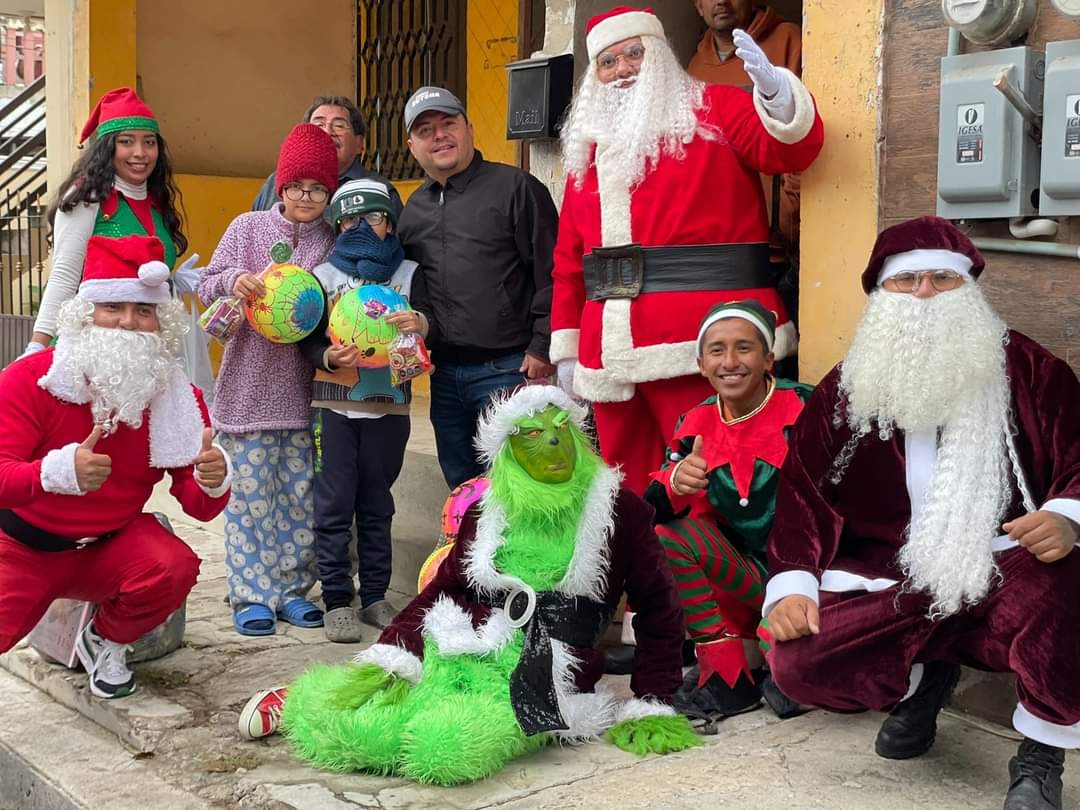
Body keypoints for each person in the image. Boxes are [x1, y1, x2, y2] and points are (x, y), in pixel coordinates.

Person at [762, 217, 1080, 810]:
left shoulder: (1030, 371)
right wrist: (792, 585)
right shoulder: (844, 391)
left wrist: (1067, 516)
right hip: (889, 582)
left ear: (970, 291)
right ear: (881, 295)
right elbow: (802, 493)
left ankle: (1040, 753)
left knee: (1067, 580)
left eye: (942, 279)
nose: (926, 293)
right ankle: (923, 677)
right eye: (907, 281)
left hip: (1002, 571)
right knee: (797, 659)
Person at [238, 386, 697, 786]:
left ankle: (400, 731)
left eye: (562, 429)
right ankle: (301, 701)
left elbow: (659, 606)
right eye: (534, 435)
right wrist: (394, 648)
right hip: (465, 639)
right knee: (373, 703)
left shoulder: (619, 510)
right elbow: (445, 587)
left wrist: (653, 698)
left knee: (448, 748)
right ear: (509, 453)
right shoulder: (488, 510)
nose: (555, 443)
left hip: (543, 666)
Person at [550, 6, 823, 496]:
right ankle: (639, 572)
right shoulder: (583, 153)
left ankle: (702, 571)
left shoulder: (715, 108)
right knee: (626, 489)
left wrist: (778, 97)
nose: (623, 69)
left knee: (710, 486)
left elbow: (790, 152)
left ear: (659, 56)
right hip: (606, 349)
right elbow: (570, 262)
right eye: (608, 63)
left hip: (701, 341)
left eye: (635, 54)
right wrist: (567, 352)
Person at [0, 234, 230, 699]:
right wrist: (59, 471)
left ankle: (105, 640)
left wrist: (213, 478)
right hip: (20, 548)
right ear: (87, 315)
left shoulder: (176, 396)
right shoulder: (29, 379)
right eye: (114, 308)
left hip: (108, 547)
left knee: (173, 565)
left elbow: (198, 504)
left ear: (159, 323)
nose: (128, 322)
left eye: (143, 311)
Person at [197, 124, 338, 637]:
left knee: (300, 500)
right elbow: (208, 283)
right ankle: (252, 595)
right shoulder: (248, 228)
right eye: (297, 185)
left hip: (306, 396)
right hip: (247, 390)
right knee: (251, 500)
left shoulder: (331, 240)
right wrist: (232, 281)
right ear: (281, 186)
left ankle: (295, 591)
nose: (306, 197)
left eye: (318, 188)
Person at [645, 300, 811, 722]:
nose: (730, 362)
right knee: (670, 536)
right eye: (717, 350)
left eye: (744, 348)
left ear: (769, 357)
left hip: (808, 578)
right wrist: (676, 480)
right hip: (744, 577)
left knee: (795, 677)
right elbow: (654, 509)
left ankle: (783, 660)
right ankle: (727, 674)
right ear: (701, 363)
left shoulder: (807, 409)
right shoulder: (695, 421)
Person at [398, 86, 560, 489]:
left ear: (469, 128)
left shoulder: (516, 189)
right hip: (445, 375)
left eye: (448, 123)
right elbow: (416, 292)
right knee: (463, 490)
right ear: (411, 145)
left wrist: (543, 346)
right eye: (426, 130)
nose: (439, 136)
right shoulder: (412, 213)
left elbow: (553, 270)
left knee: (521, 485)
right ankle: (471, 553)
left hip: (509, 370)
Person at [299, 178, 427, 642]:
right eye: (349, 220)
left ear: (389, 222)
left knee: (377, 503)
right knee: (333, 506)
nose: (360, 227)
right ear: (335, 226)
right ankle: (336, 598)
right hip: (333, 409)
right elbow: (307, 337)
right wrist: (326, 357)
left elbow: (431, 319)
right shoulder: (324, 275)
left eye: (371, 217)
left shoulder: (409, 274)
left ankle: (375, 595)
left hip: (388, 408)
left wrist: (420, 323)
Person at [25, 87, 190, 354]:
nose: (140, 152)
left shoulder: (158, 202)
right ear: (107, 148)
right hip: (92, 351)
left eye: (149, 142)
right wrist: (37, 344)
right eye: (126, 142)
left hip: (146, 353)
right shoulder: (87, 197)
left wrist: (173, 281)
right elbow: (65, 276)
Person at [687, 0, 803, 318]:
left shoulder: (788, 41)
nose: (721, 1)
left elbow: (807, 129)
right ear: (698, 7)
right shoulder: (696, 66)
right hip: (720, 248)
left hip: (781, 248)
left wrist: (790, 208)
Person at [251, 95, 402, 219]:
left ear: (359, 144)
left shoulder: (379, 190)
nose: (327, 132)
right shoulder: (275, 182)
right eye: (318, 125)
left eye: (339, 125)